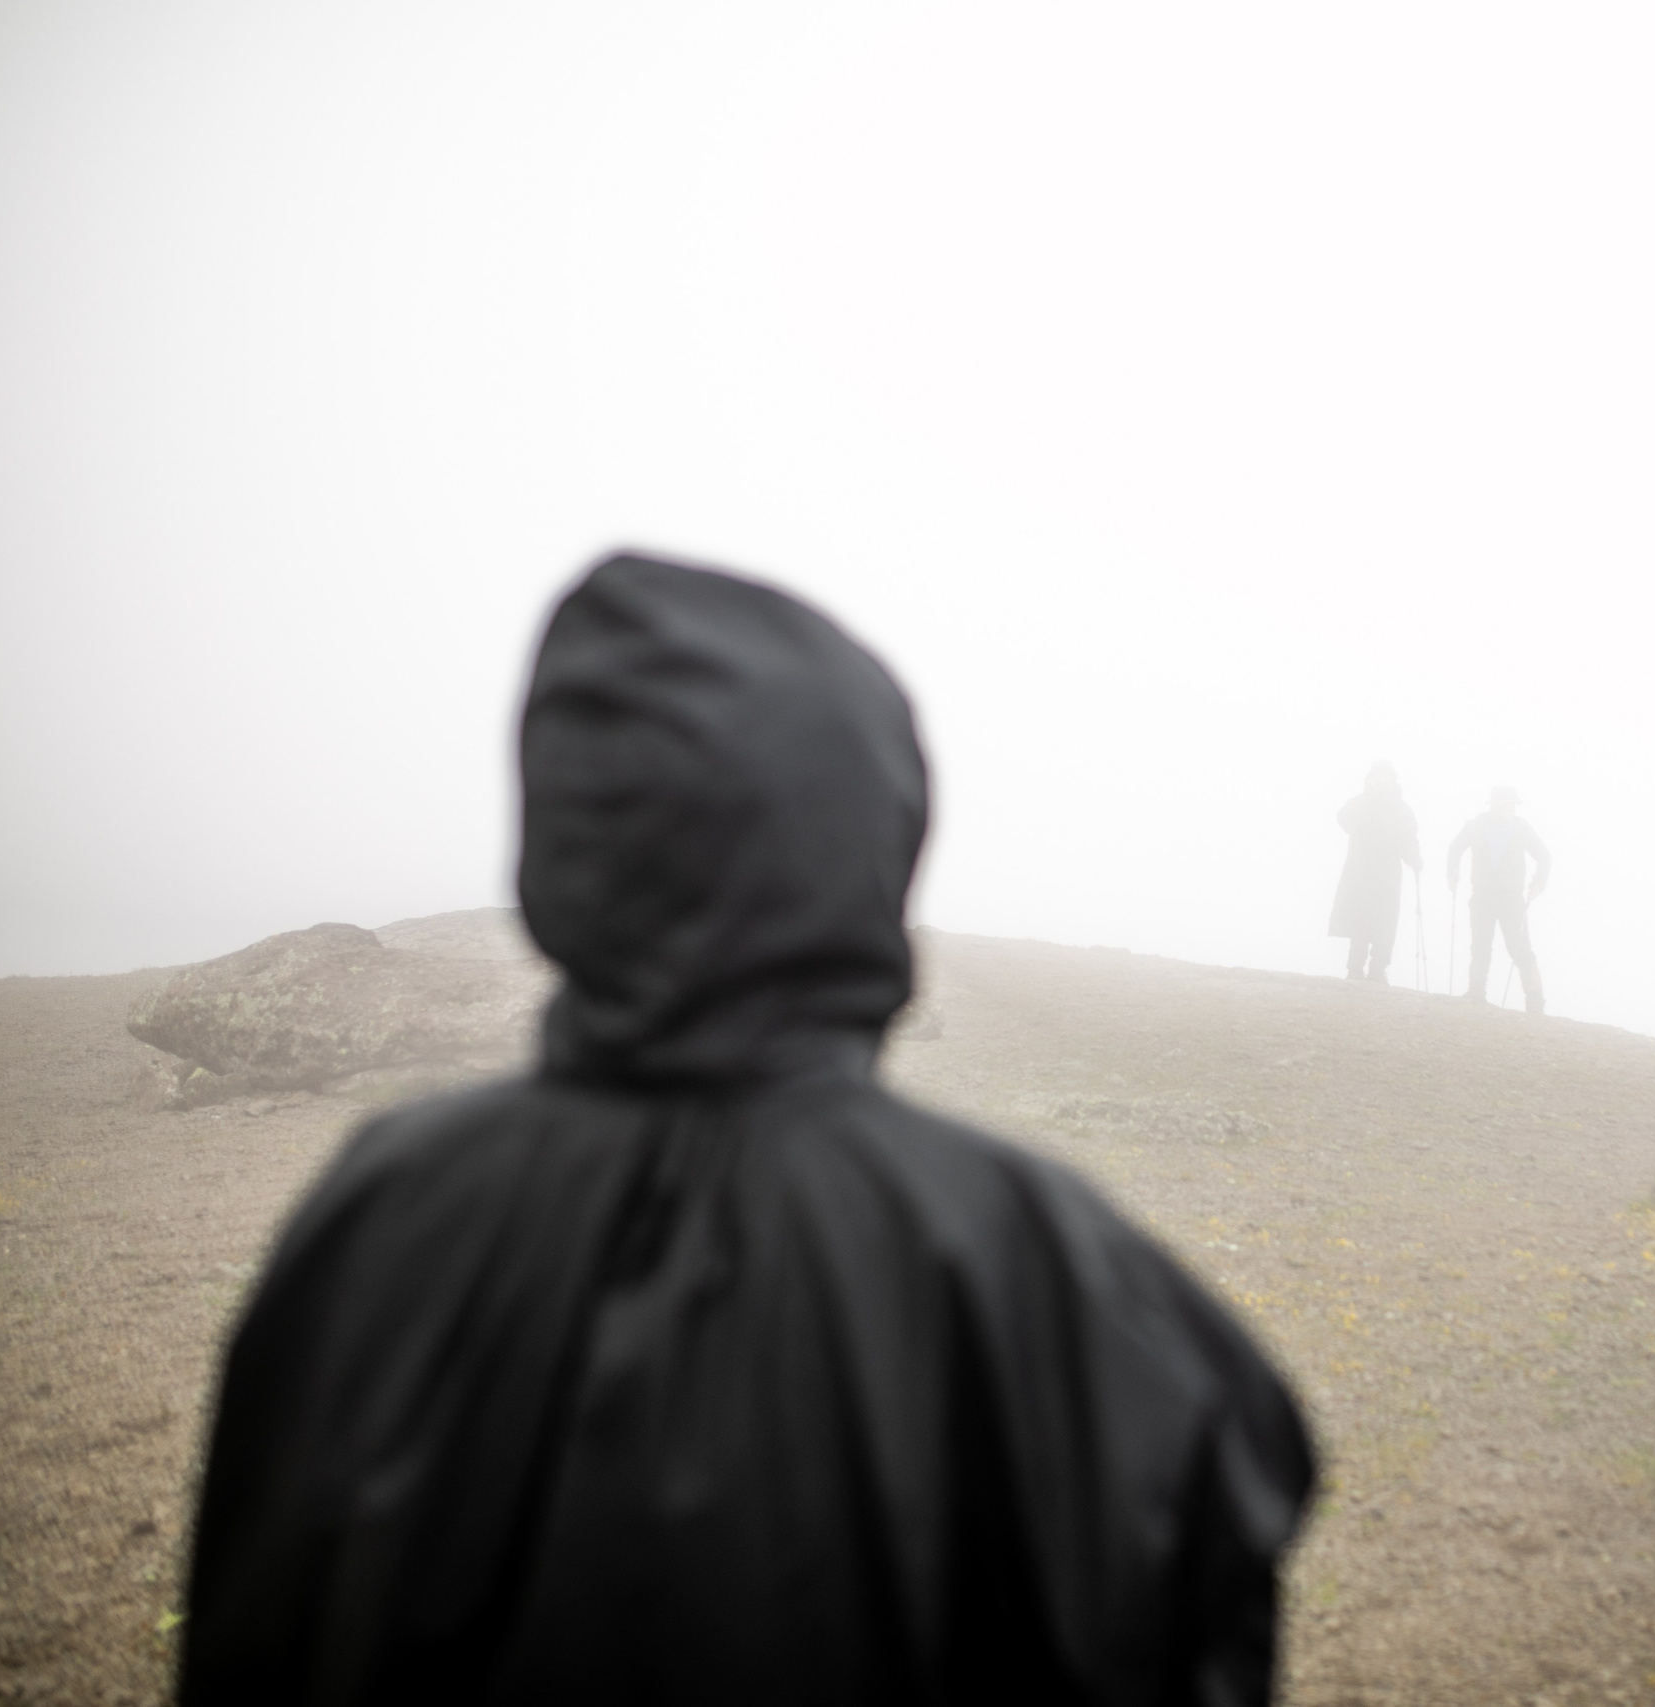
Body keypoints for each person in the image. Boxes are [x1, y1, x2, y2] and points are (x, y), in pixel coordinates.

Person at [182, 553, 1317, 1705]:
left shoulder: (377, 1218)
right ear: (878, 831)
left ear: (564, 835)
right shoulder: (1060, 1275)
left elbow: (249, 1636)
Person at [1446, 786, 1548, 1013]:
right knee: (1480, 946)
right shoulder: (1477, 825)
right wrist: (1452, 871)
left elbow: (1544, 856)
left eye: (1513, 804)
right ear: (1493, 803)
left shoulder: (1521, 828)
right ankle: (1476, 993)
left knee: (1520, 949)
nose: (1510, 808)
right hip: (1482, 895)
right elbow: (1455, 849)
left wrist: (1538, 884)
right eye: (1506, 804)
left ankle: (1535, 1003)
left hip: (1511, 898)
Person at [1328, 760, 1423, 984]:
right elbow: (1345, 820)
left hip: (1388, 873)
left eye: (1386, 777)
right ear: (1370, 781)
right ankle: (1355, 969)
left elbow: (1409, 839)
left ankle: (1378, 969)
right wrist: (1369, 799)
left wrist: (1415, 859)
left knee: (1386, 922)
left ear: (1392, 780)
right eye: (1378, 778)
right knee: (1361, 919)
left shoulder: (1401, 809)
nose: (1383, 782)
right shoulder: (1361, 803)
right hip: (1361, 872)